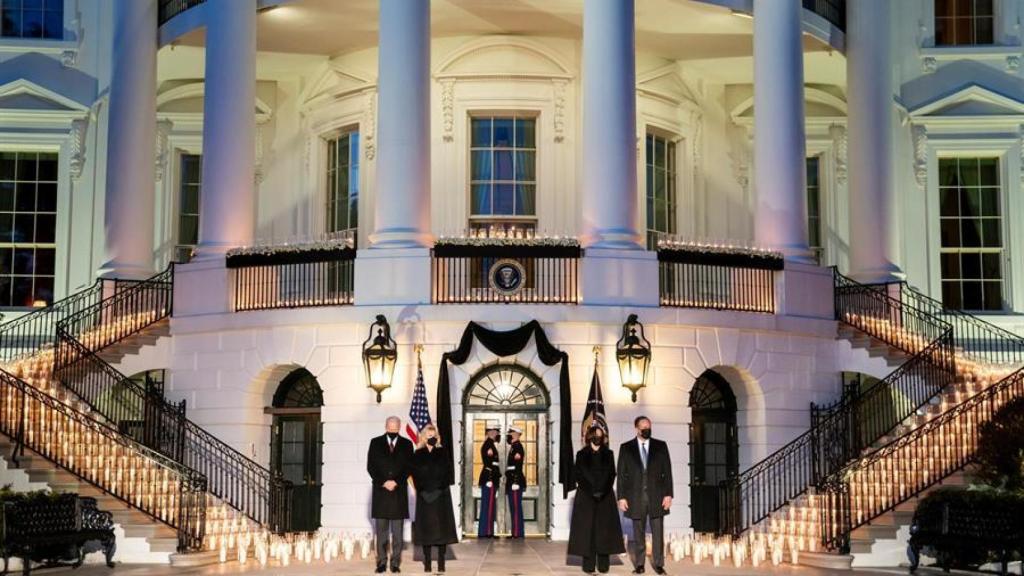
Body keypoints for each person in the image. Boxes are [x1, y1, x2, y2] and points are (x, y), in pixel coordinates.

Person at [617, 416, 673, 575]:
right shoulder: (626, 448)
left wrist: (668, 494)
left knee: (658, 532)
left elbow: (667, 472)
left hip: (657, 496)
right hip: (635, 497)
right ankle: (640, 564)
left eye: (649, 426)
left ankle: (659, 564)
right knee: (638, 533)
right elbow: (621, 475)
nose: (647, 429)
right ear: (637, 429)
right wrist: (621, 497)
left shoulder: (660, 446)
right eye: (643, 427)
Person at [568, 424, 625, 574]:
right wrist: (591, 491)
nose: (598, 438)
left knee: (604, 531)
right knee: (589, 531)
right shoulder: (581, 454)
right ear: (590, 436)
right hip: (586, 497)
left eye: (601, 436)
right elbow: (579, 475)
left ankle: (604, 565)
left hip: (605, 497)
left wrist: (602, 491)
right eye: (596, 435)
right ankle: (588, 566)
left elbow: (612, 474)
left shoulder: (609, 453)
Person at [367, 416, 414, 573]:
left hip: (398, 494)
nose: (393, 429)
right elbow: (371, 466)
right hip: (381, 493)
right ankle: (381, 562)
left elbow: (409, 467)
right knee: (381, 533)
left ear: (399, 427)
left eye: (396, 426)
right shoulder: (375, 442)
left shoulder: (407, 444)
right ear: (386, 426)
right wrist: (384, 482)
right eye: (390, 426)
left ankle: (395, 563)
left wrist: (396, 482)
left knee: (398, 533)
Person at [410, 424, 458, 574]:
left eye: (434, 435)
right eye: (428, 435)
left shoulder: (442, 452)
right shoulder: (418, 453)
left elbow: (447, 472)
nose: (431, 438)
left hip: (440, 495)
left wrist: (437, 489)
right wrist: (423, 490)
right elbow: (415, 474)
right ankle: (428, 562)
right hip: (424, 496)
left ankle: (442, 562)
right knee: (426, 531)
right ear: (424, 437)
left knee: (441, 530)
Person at [477, 423, 501, 537]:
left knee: (489, 505)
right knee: (488, 505)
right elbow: (489, 464)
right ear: (490, 432)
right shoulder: (488, 445)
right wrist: (491, 479)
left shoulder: (491, 444)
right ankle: (486, 532)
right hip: (489, 478)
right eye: (495, 431)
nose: (497, 433)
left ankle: (486, 531)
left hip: (491, 478)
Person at [505, 425, 526, 538]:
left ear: (516, 434)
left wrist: (516, 482)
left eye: (511, 433)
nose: (509, 435)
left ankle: (517, 533)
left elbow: (517, 466)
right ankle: (515, 532)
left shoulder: (518, 447)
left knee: (516, 508)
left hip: (515, 481)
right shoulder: (514, 447)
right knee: (513, 508)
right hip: (511, 480)